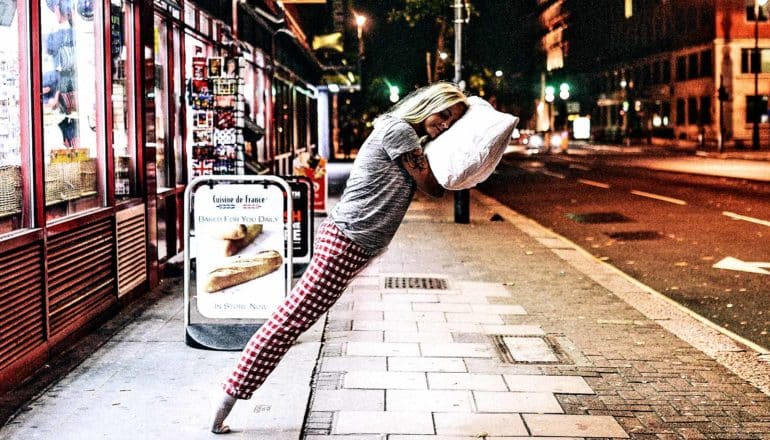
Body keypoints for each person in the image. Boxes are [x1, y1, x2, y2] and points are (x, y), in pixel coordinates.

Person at [208, 81, 468, 434]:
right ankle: (227, 397)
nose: (446, 123)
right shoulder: (400, 132)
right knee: (290, 321)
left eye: (454, 120)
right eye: (444, 114)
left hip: (353, 242)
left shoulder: (405, 133)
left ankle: (229, 395)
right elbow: (434, 187)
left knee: (293, 318)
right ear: (428, 104)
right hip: (346, 241)